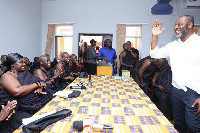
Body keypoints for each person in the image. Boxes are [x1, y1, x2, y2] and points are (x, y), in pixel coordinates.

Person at [150, 15, 200, 133]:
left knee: (193, 126)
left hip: (194, 93)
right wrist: (155, 37)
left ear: (190, 25)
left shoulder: (198, 43)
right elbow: (155, 54)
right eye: (175, 25)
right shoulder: (173, 45)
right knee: (178, 124)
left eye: (180, 24)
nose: (176, 27)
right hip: (176, 90)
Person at [0, 53, 54, 118]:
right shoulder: (6, 76)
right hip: (23, 108)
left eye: (24, 62)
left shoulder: (25, 73)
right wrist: (37, 85)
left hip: (38, 101)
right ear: (12, 65)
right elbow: (17, 91)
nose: (24, 64)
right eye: (21, 62)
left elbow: (39, 82)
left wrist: (40, 87)